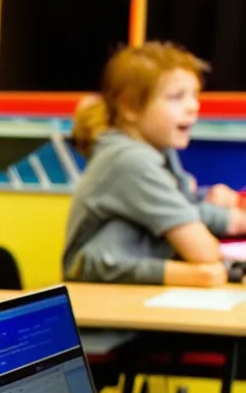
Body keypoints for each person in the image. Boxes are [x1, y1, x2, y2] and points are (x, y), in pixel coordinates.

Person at [64, 42, 246, 286]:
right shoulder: (129, 160)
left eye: (194, 95)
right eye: (176, 97)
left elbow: (184, 207)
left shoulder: (157, 151)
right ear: (130, 106)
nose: (193, 106)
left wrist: (233, 218)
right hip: (101, 305)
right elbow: (204, 252)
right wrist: (189, 272)